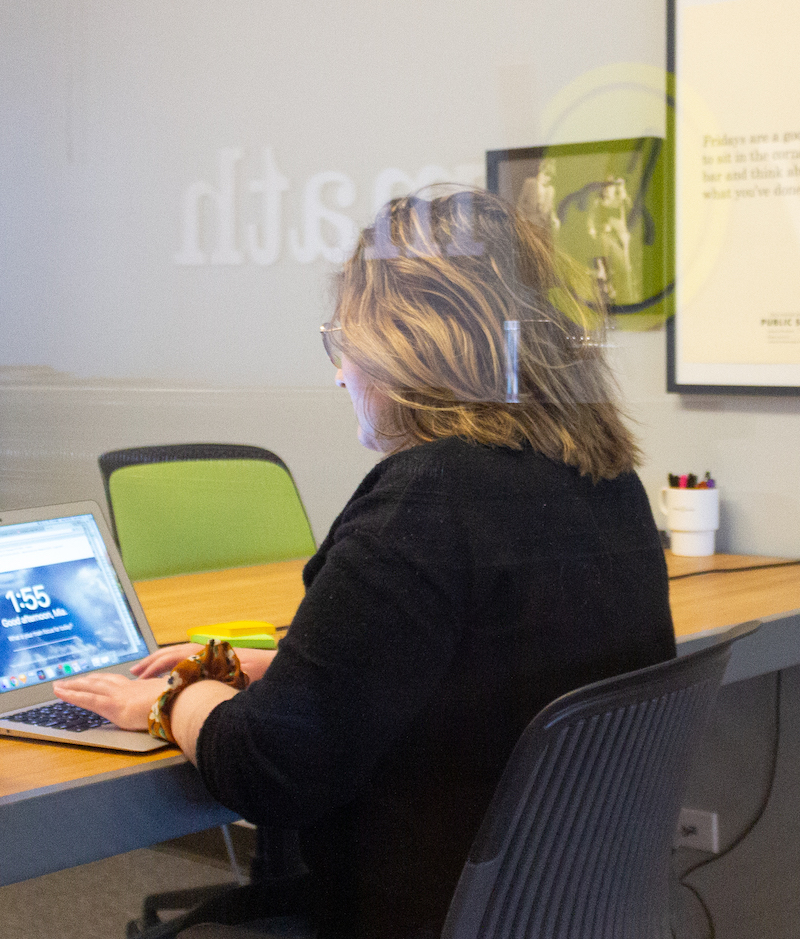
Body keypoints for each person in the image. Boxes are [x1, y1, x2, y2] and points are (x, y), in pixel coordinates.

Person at [56, 188, 676, 939]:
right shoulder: (607, 483)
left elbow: (271, 768)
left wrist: (164, 702)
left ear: (403, 348)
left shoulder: (430, 498)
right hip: (555, 911)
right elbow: (478, 672)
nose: (340, 374)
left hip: (414, 913)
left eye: (343, 343)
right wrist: (256, 666)